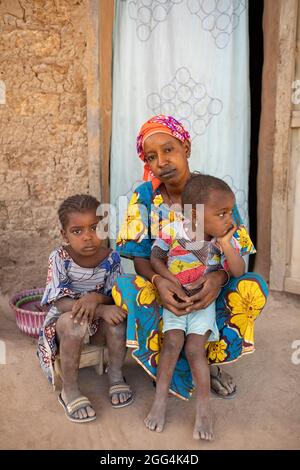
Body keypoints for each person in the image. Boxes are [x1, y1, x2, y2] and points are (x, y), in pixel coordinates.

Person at [113, 114, 268, 426]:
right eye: (151, 157)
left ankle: (207, 361)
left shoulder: (213, 192)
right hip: (166, 285)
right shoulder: (144, 197)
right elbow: (141, 255)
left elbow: (235, 248)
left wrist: (218, 276)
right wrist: (158, 280)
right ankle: (168, 364)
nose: (161, 162)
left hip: (207, 290)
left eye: (169, 149)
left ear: (186, 147)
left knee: (250, 285)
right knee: (127, 287)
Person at [146, 174, 246, 440]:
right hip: (175, 300)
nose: (229, 219)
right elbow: (155, 258)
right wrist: (169, 282)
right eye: (222, 213)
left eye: (230, 212)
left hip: (203, 303)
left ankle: (203, 409)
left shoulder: (222, 239)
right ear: (194, 215)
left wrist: (226, 244)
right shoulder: (172, 231)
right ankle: (160, 401)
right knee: (172, 343)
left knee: (194, 350)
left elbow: (238, 271)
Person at [37, 194, 133, 423]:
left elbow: (115, 296)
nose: (88, 237)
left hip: (97, 324)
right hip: (64, 321)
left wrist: (97, 299)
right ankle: (69, 390)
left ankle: (117, 376)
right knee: (75, 323)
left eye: (94, 228)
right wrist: (97, 308)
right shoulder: (60, 258)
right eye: (77, 231)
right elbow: (60, 302)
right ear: (64, 235)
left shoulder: (112, 259)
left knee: (118, 321)